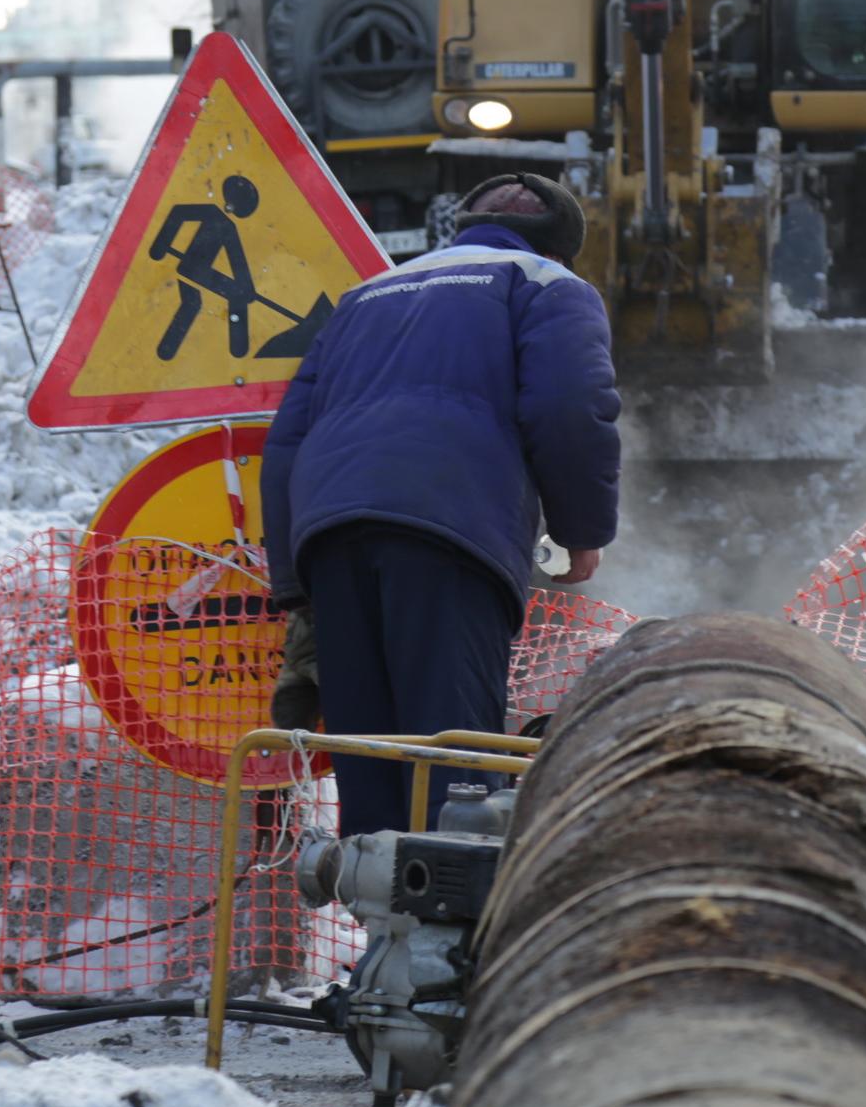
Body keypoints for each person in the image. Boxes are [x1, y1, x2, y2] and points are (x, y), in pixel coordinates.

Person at [261, 172, 621, 835]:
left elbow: (285, 442)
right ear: (561, 247)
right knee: (454, 762)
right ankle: (445, 929)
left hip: (330, 535)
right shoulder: (547, 284)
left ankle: (380, 925)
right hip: (449, 532)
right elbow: (571, 407)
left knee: (366, 758)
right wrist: (581, 530)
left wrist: (294, 584)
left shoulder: (363, 296)